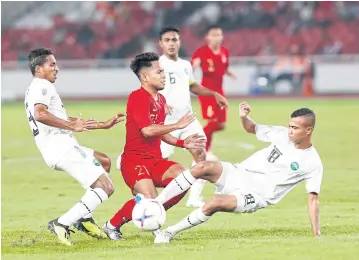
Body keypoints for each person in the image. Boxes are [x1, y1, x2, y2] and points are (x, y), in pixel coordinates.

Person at [154, 103, 323, 243]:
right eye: (289, 126)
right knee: (202, 167)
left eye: (295, 128)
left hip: (256, 195)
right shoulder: (281, 134)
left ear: (308, 130)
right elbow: (252, 128)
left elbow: (313, 199)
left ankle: (169, 233)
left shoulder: (312, 163)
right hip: (240, 173)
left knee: (215, 203)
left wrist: (316, 234)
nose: (290, 131)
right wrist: (243, 116)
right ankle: (156, 204)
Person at [24, 48, 125, 246]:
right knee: (106, 187)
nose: (57, 68)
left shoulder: (35, 87)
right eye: (51, 64)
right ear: (38, 68)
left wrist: (101, 124)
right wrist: (71, 126)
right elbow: (41, 114)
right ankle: (62, 223)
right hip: (60, 148)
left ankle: (84, 217)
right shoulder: (42, 86)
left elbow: (58, 117)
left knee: (103, 162)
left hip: (60, 147)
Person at [102, 52, 206, 240]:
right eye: (159, 72)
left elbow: (159, 130)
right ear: (144, 77)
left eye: (163, 72)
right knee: (149, 196)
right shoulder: (137, 97)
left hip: (154, 160)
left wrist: (183, 143)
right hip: (134, 161)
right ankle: (112, 226)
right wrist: (178, 125)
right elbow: (147, 131)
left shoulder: (160, 99)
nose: (163, 75)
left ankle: (152, 214)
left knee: (183, 178)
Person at [158, 26, 229, 208]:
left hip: (188, 119)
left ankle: (194, 198)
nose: (171, 43)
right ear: (161, 44)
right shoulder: (157, 65)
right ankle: (153, 199)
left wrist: (214, 94)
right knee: (158, 162)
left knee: (200, 153)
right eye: (167, 40)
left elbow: (192, 86)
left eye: (174, 40)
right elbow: (148, 89)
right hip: (166, 122)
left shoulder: (185, 65)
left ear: (179, 42)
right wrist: (160, 103)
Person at [192, 25, 236, 160]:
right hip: (207, 92)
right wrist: (192, 70)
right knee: (212, 121)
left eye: (218, 35)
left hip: (220, 91)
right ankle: (203, 149)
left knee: (221, 125)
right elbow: (192, 65)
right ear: (207, 38)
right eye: (213, 35)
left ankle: (197, 136)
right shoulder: (201, 52)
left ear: (222, 37)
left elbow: (224, 68)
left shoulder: (224, 52)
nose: (216, 38)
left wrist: (230, 74)